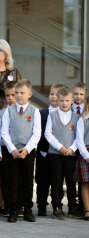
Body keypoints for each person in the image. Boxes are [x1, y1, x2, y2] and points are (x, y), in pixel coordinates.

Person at [1, 79, 41, 223]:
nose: (18, 95)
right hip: (12, 151)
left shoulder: (34, 111)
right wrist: (12, 149)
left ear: (29, 94)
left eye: (22, 93)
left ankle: (28, 210)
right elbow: (4, 132)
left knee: (28, 181)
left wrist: (27, 149)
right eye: (16, 92)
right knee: (13, 181)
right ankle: (13, 210)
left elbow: (37, 133)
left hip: (27, 152)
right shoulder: (8, 111)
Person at [45, 87, 82, 220]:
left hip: (71, 154)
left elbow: (79, 136)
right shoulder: (52, 115)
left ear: (72, 101)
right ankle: (57, 207)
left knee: (71, 181)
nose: (64, 103)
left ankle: (72, 207)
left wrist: (72, 148)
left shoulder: (77, 117)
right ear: (57, 101)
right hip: (55, 154)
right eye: (61, 101)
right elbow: (48, 133)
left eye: (67, 100)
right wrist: (59, 147)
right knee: (56, 181)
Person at [35, 84, 65, 216]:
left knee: (57, 181)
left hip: (59, 154)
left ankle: (57, 205)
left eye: (57, 94)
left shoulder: (65, 115)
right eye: (51, 94)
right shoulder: (41, 113)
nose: (54, 97)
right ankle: (41, 205)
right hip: (43, 152)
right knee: (42, 180)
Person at [0, 81, 23, 218]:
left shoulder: (23, 112)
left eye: (13, 94)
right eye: (8, 95)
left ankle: (19, 206)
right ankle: (6, 206)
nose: (11, 98)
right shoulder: (2, 112)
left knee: (19, 179)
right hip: (5, 149)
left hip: (20, 150)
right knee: (5, 179)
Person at [72, 81, 87, 215]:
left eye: (81, 94)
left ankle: (84, 206)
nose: (78, 96)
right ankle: (73, 206)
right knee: (74, 178)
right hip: (71, 148)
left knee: (84, 180)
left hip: (83, 149)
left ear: (85, 95)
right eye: (75, 93)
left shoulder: (86, 110)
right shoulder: (67, 107)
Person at [74, 95, 89, 221]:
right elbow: (79, 140)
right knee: (85, 182)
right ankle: (87, 210)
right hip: (86, 152)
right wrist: (86, 155)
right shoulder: (82, 120)